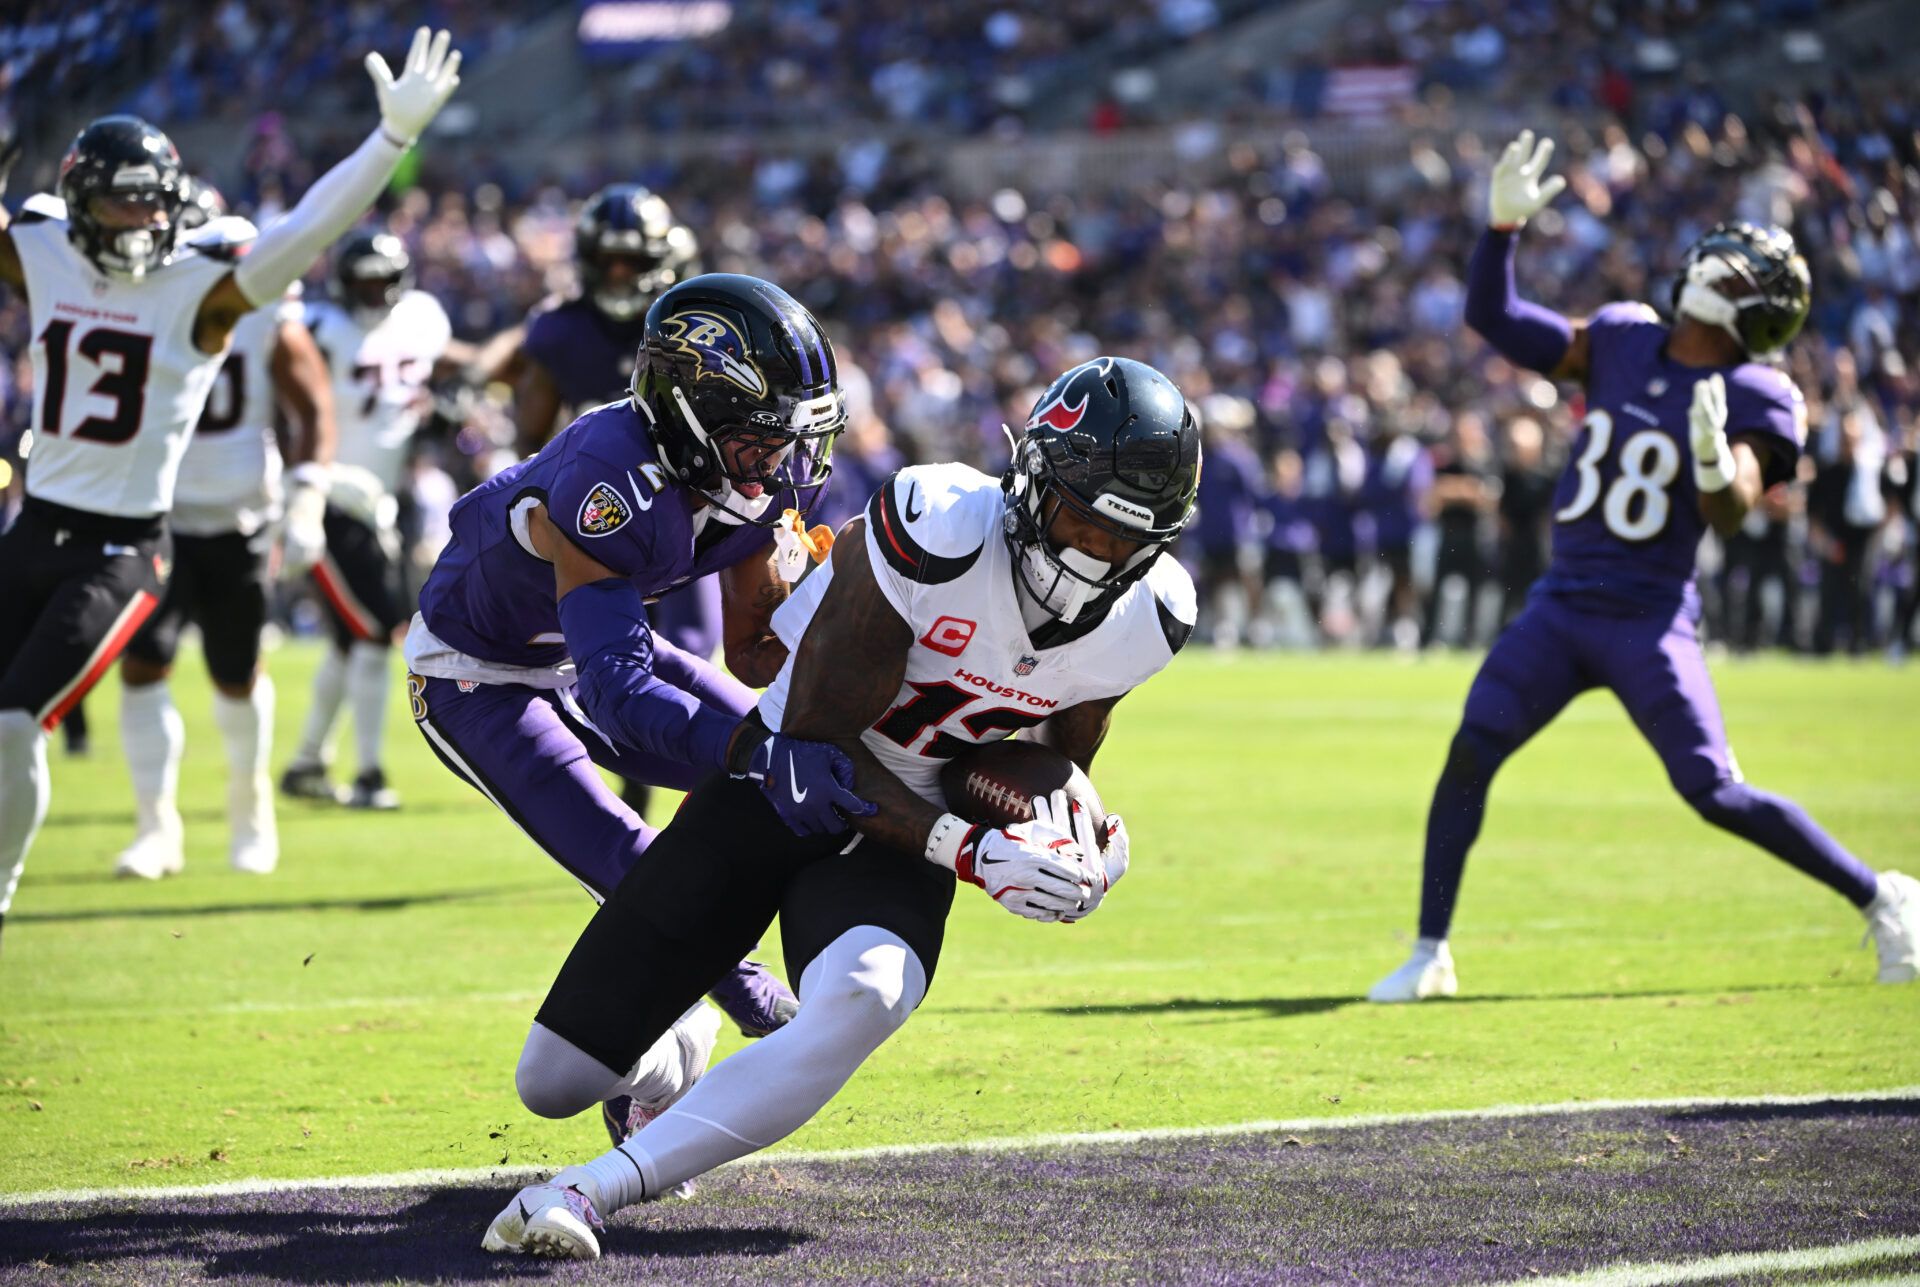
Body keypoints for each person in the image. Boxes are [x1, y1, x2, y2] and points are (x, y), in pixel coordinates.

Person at [480, 355, 1200, 1259]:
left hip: (901, 841)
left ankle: (593, 1191)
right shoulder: (936, 528)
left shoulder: (1149, 616)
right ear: (1031, 482)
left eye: (1124, 541)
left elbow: (1045, 753)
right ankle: (673, 1055)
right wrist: (969, 850)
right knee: (551, 1080)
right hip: (778, 785)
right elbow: (820, 747)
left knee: (867, 994)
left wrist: (1077, 828)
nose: (1095, 554)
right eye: (1081, 520)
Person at [1369, 133, 1920, 1003]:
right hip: (1559, 607)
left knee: (1713, 791)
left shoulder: (1763, 395)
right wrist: (1500, 230)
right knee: (1469, 752)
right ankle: (1430, 950)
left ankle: (1884, 895)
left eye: (1735, 267)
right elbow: (1500, 321)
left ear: (1757, 307)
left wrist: (1714, 464)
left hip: (1647, 619)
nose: (1711, 264)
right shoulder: (1624, 337)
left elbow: (1733, 508)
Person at [0, 27, 462, 949]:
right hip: (34, 527)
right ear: (83, 206)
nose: (138, 225)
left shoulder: (201, 290)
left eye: (149, 208)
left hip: (123, 544)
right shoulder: (39, 249)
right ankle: (145, 826)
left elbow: (312, 228)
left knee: (16, 723)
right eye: (119, 208)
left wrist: (389, 143)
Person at [406, 273, 847, 1109]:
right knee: (630, 855)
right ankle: (689, 1039)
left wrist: (819, 616)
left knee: (797, 777)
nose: (783, 460)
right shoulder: (611, 479)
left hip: (590, 653)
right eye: (761, 436)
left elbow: (752, 656)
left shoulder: (764, 476)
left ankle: (716, 1002)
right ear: (689, 416)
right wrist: (752, 745)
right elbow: (619, 693)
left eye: (790, 436)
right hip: (478, 676)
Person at [115, 178, 336, 879]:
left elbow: (312, 406)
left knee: (236, 676)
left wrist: (306, 498)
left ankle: (251, 813)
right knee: (142, 665)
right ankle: (156, 829)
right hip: (157, 517)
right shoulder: (142, 300)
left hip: (240, 518)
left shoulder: (265, 311)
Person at [278, 232, 451, 810]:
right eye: (364, 283)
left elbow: (444, 373)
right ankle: (371, 773)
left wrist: (445, 407)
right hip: (329, 498)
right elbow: (285, 409)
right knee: (376, 633)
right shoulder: (320, 329)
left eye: (384, 281)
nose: (375, 293)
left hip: (386, 503)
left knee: (355, 643)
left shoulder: (422, 317)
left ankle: (307, 761)